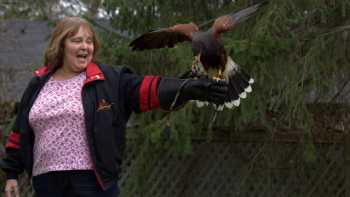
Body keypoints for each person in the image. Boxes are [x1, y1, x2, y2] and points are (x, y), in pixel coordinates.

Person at [0, 16, 228, 197]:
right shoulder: (39, 83)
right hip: (46, 183)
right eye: (77, 40)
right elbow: (20, 132)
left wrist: (189, 87)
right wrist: (11, 174)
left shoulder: (109, 79)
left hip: (92, 183)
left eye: (89, 41)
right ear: (61, 45)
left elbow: (148, 88)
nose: (85, 46)